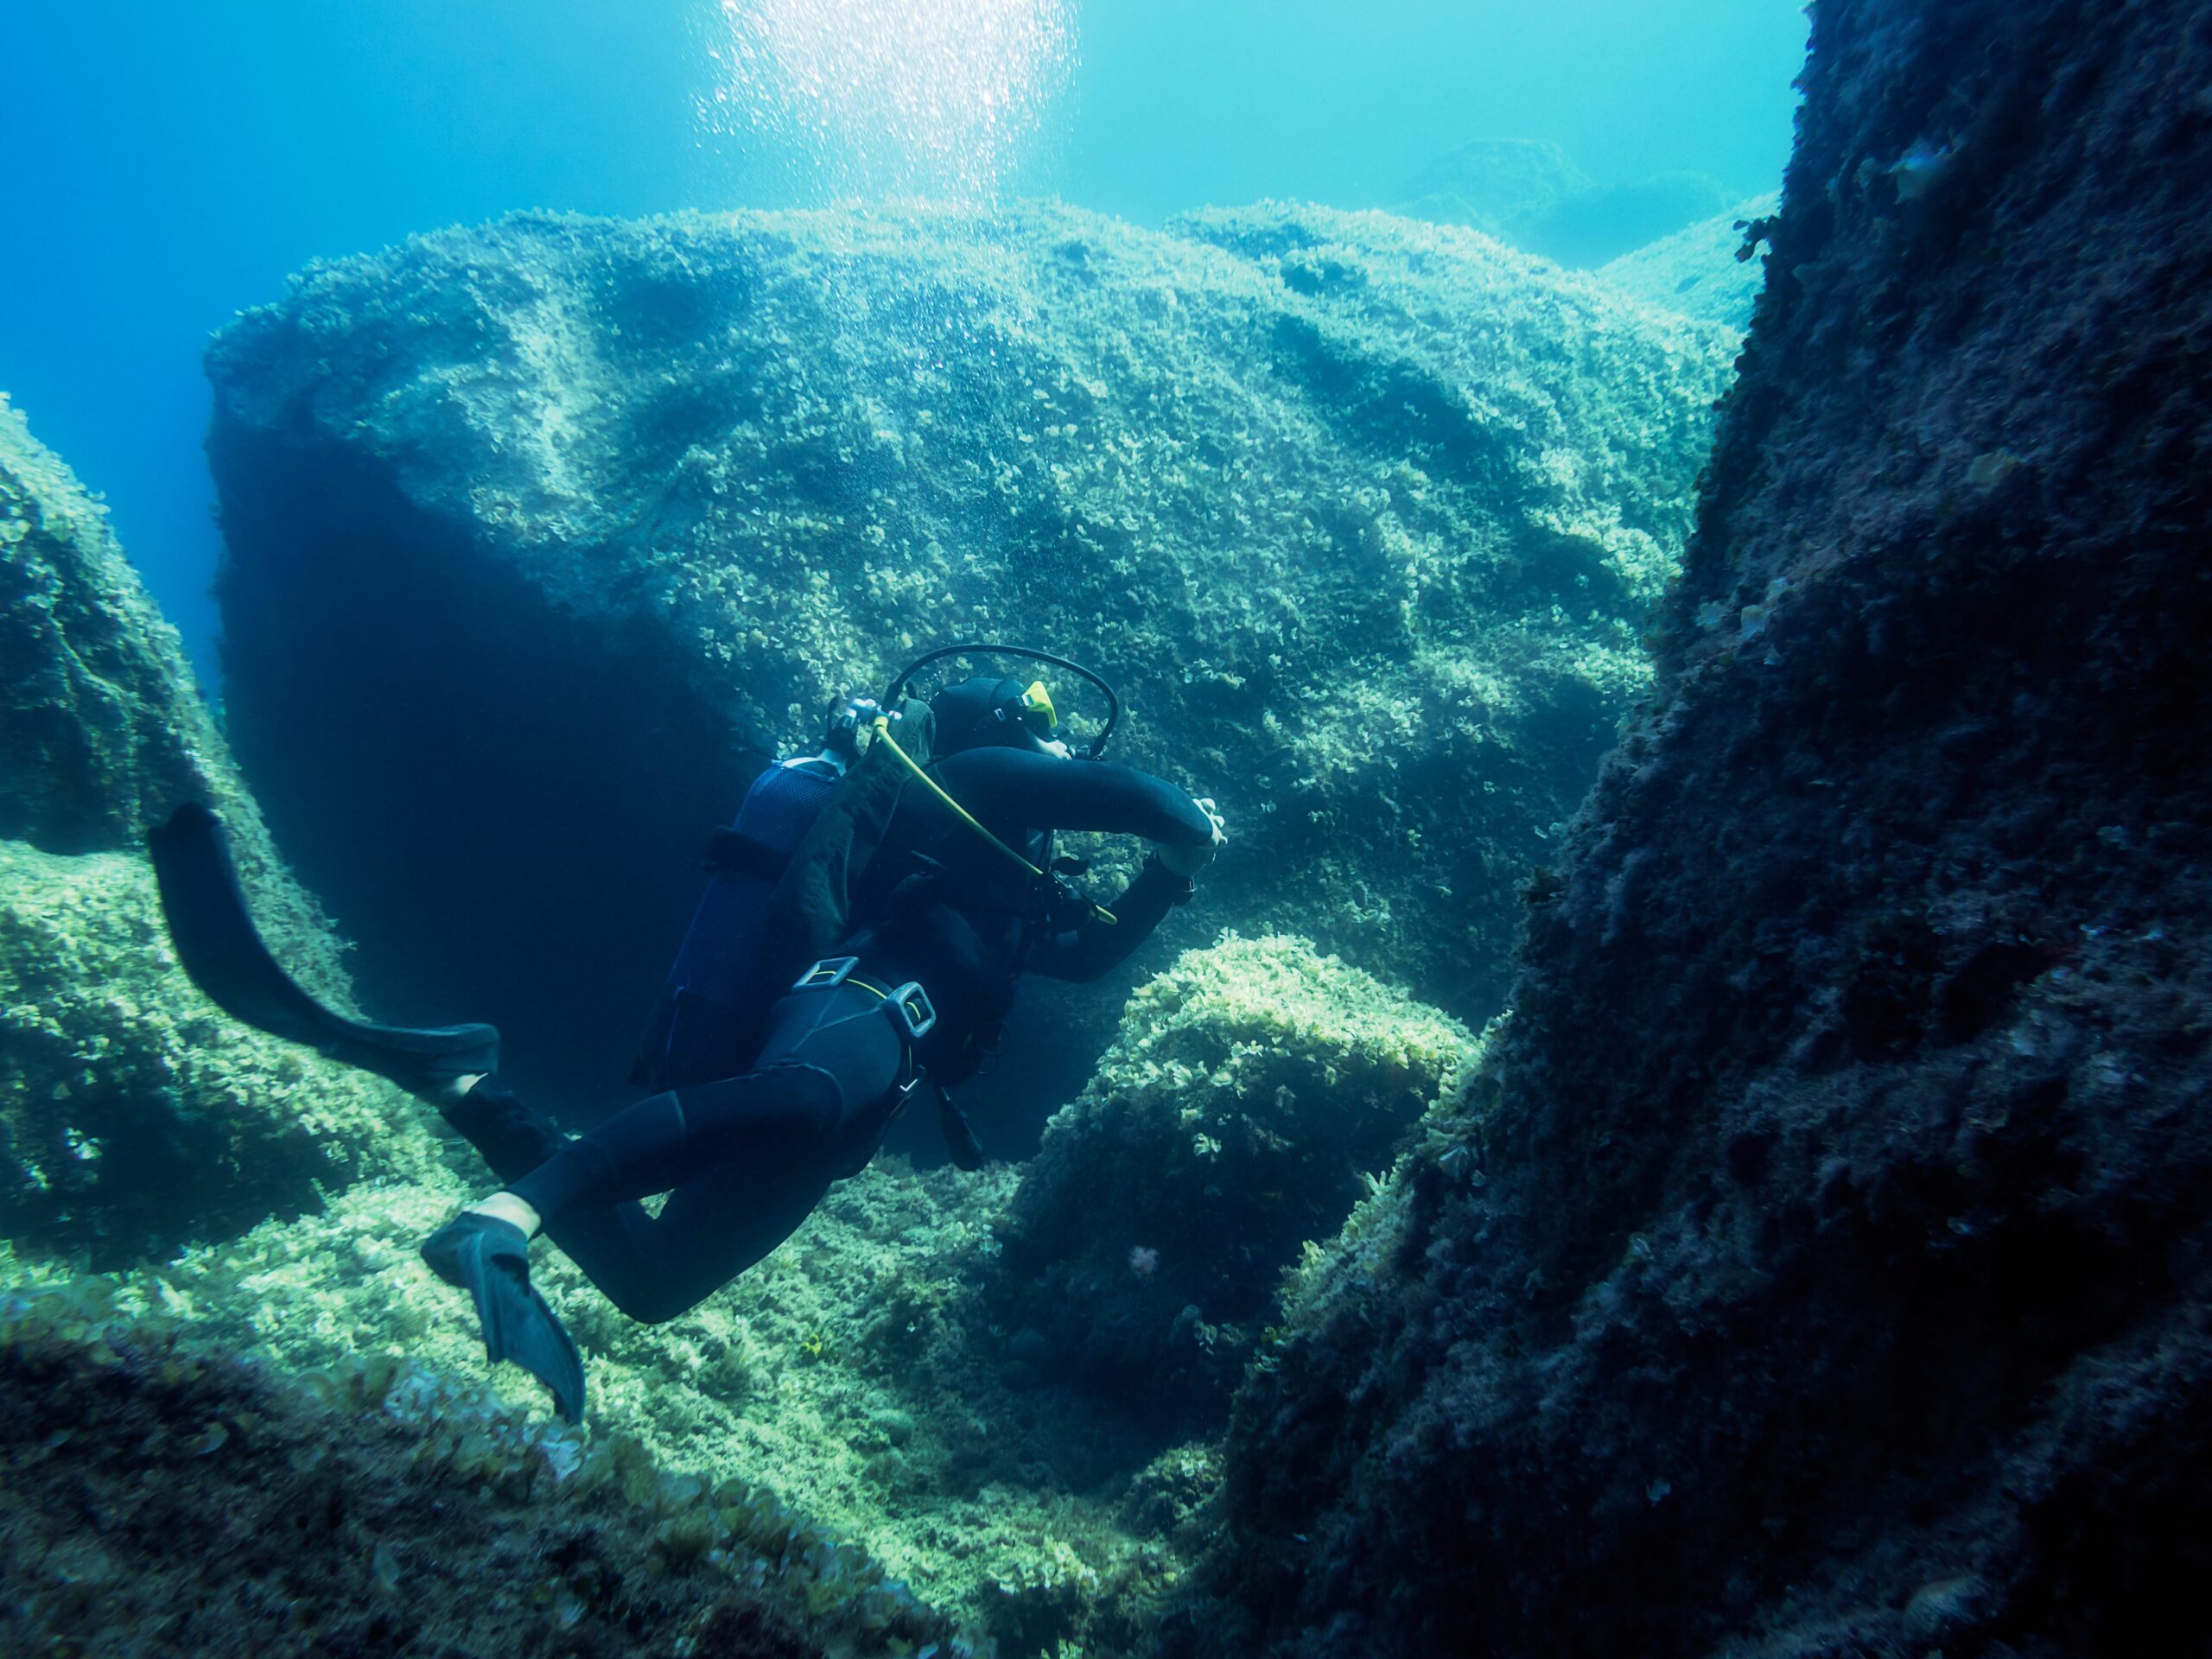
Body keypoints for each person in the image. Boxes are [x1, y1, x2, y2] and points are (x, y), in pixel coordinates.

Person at [151, 670, 1224, 1421]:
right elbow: (1140, 798)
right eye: (1046, 725)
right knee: (801, 1094)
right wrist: (1189, 827)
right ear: (1003, 727)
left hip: (874, 1084)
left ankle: (464, 1081)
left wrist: (1170, 879)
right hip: (853, 1006)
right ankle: (508, 1215)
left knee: (658, 1281)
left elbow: (1089, 956)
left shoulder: (1011, 887)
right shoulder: (978, 777)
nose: (1054, 746)